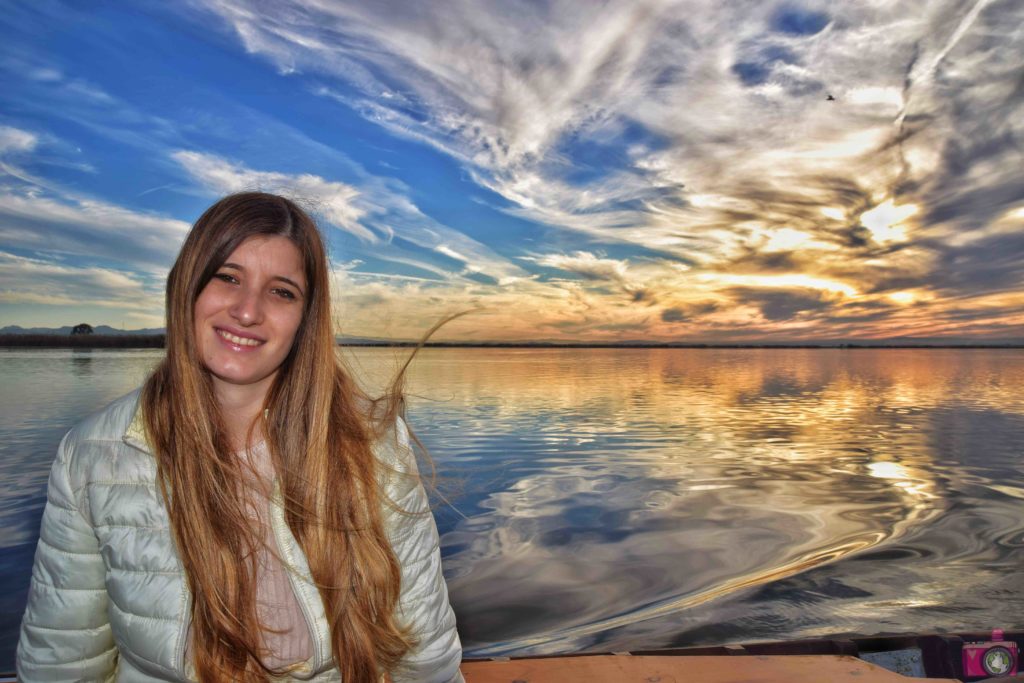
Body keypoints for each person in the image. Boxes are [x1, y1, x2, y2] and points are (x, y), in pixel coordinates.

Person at [16, 192, 464, 682]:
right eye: (227, 277)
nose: (248, 311)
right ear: (187, 287)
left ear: (305, 318)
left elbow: (425, 654)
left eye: (281, 291)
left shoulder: (374, 442)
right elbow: (62, 661)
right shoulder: (92, 455)